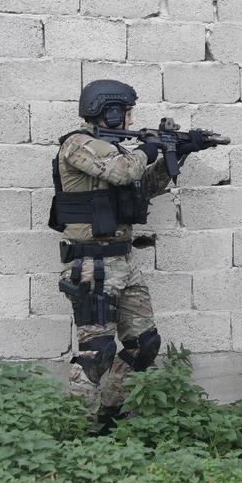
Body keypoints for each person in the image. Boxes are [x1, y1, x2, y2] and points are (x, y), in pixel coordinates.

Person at [49, 79, 211, 431]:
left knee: (143, 345)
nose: (130, 118)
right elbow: (124, 172)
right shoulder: (78, 145)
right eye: (126, 111)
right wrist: (149, 148)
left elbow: (144, 185)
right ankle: (77, 430)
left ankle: (110, 418)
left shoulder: (121, 152)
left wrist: (179, 150)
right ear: (108, 110)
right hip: (90, 266)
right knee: (98, 352)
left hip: (122, 264)